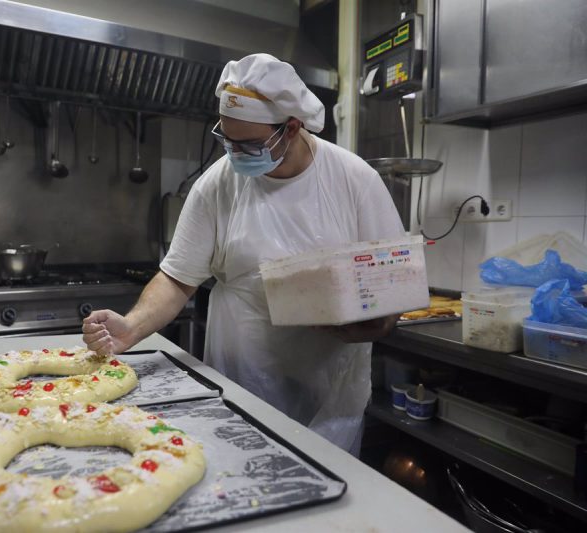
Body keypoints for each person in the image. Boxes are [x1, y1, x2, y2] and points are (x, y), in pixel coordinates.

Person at [83, 53, 404, 455]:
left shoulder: (354, 181)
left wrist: (365, 327)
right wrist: (131, 327)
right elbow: (178, 277)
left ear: (290, 128)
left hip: (327, 385)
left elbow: (392, 289)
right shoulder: (218, 184)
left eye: (248, 144)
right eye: (227, 140)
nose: (235, 153)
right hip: (242, 376)